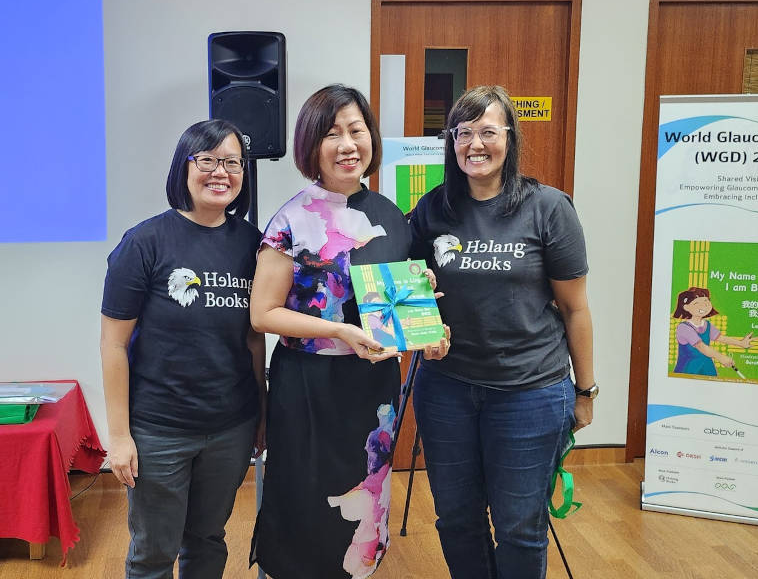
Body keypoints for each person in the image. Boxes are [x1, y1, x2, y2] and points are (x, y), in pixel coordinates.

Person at [248, 84, 448, 579]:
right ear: (311, 145)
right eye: (332, 133)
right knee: (305, 496)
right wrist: (339, 330)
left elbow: (395, 299)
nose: (347, 145)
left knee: (367, 494)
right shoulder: (291, 218)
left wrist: (423, 306)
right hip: (308, 385)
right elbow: (263, 314)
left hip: (373, 387)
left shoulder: (390, 215)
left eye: (356, 131)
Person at [409, 85, 595, 579]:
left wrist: (586, 391)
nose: (475, 144)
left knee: (519, 527)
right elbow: (408, 290)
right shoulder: (432, 209)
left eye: (488, 132)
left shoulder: (548, 207)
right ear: (451, 142)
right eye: (463, 133)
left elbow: (575, 308)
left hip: (530, 392)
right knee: (456, 520)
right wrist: (419, 306)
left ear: (509, 138)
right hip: (446, 389)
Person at [100, 119, 266, 578]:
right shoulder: (145, 242)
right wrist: (119, 436)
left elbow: (254, 338)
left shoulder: (253, 245)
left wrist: (262, 412)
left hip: (231, 426)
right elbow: (113, 344)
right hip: (159, 430)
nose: (221, 172)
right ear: (184, 167)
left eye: (233, 162)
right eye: (208, 160)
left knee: (207, 541)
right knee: (154, 554)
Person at [672, 286, 755, 376]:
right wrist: (720, 357)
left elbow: (721, 338)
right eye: (697, 303)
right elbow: (700, 346)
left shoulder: (707, 324)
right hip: (689, 368)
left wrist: (741, 343)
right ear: (686, 307)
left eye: (706, 301)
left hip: (707, 366)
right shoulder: (683, 327)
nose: (704, 305)